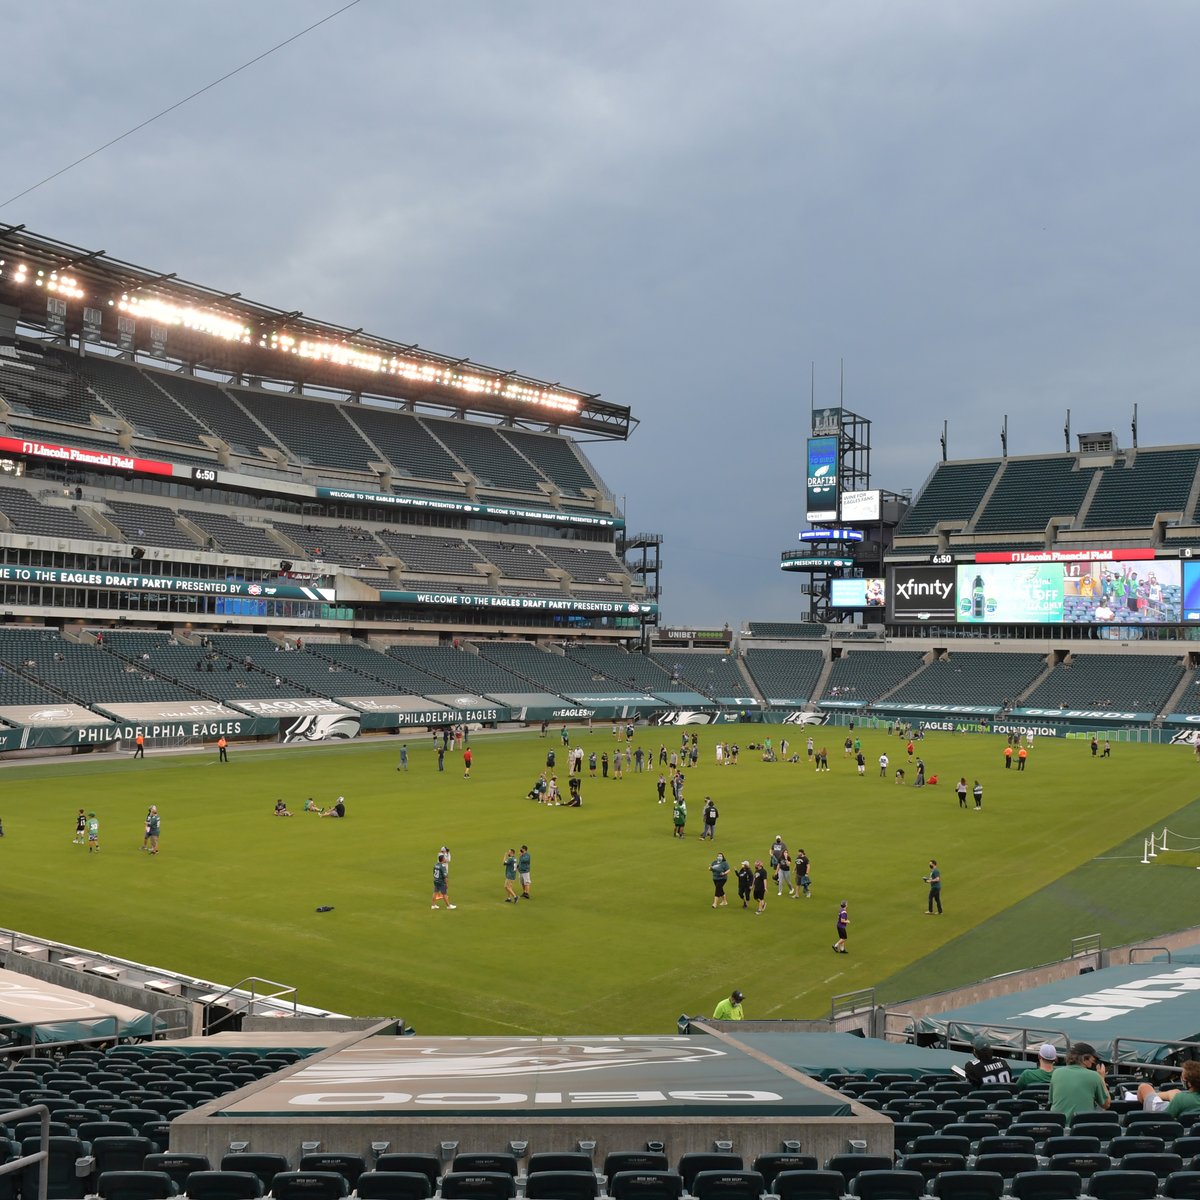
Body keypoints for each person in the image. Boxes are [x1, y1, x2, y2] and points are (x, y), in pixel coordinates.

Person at [1049, 1042, 1109, 1116]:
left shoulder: (1056, 1073)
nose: (1093, 1062)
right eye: (1092, 1059)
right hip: (1082, 1124)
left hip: (1059, 1123)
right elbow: (1106, 1104)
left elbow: (1051, 1101)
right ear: (1084, 1058)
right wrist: (1102, 1078)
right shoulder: (1094, 1076)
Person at [1136, 1058, 1200, 1115]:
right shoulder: (1181, 1097)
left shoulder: (1180, 1099)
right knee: (1174, 1093)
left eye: (1183, 1077)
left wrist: (1176, 1100)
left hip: (1162, 1115)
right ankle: (1156, 1095)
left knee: (1144, 1087)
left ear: (1189, 1084)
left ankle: (1151, 1098)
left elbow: (1165, 1117)